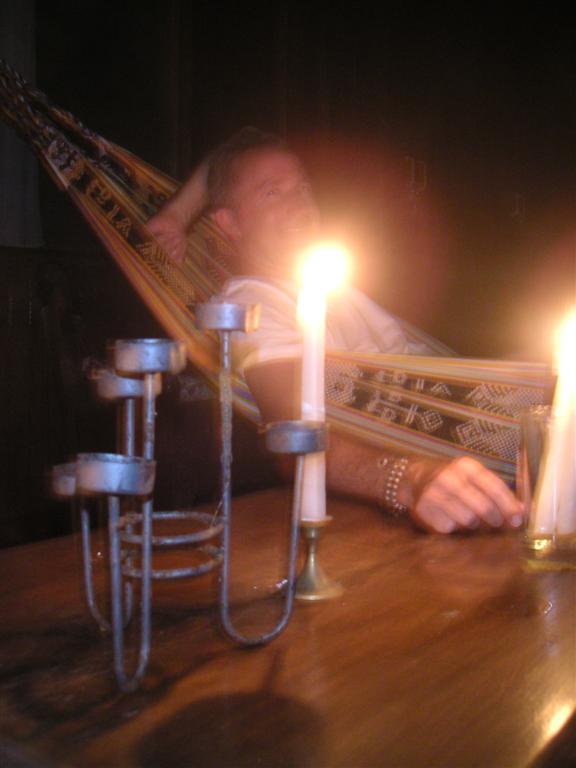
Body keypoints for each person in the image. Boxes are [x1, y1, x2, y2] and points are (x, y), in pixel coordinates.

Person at [148, 128, 525, 534]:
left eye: (304, 187)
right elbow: (292, 429)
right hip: (476, 467)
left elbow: (243, 140)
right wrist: (407, 480)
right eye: (273, 193)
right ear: (229, 224)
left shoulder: (328, 284)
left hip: (502, 422)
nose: (300, 204)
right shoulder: (251, 305)